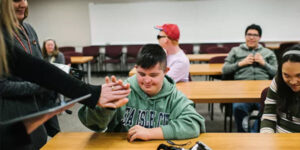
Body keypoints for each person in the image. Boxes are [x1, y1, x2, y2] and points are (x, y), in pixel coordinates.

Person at [0, 0, 131, 149]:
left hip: (38, 109)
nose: (23, 4)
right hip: (12, 115)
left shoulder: (27, 29)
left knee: (42, 141)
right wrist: (90, 93)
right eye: (16, 0)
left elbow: (38, 69)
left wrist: (88, 93)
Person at [78, 44, 205, 142]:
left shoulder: (174, 96)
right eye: (142, 74)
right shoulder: (122, 90)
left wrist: (151, 133)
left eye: (154, 75)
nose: (147, 81)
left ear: (166, 71)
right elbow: (93, 125)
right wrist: (105, 108)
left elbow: (194, 124)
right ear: (136, 68)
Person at [222, 24, 278, 132]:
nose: (251, 37)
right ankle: (243, 133)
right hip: (241, 89)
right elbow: (225, 70)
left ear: (259, 37)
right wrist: (241, 63)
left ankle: (254, 132)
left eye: (255, 35)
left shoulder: (268, 52)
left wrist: (264, 63)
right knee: (238, 107)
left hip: (263, 89)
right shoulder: (235, 51)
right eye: (249, 34)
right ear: (245, 36)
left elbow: (277, 73)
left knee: (269, 108)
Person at [260, 44, 300, 133]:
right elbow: (269, 117)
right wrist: (267, 140)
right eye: (286, 75)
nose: (293, 81)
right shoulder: (278, 81)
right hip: (279, 138)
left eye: (299, 75)